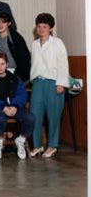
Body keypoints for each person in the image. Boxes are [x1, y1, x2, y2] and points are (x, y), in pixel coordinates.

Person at [29, 13, 69, 158]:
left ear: (51, 28)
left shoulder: (57, 43)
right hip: (38, 82)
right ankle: (37, 145)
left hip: (54, 83)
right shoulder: (34, 44)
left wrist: (61, 84)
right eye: (39, 26)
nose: (41, 29)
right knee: (35, 114)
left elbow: (63, 64)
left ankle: (52, 146)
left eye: (44, 27)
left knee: (53, 116)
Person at [0, 52, 35, 160]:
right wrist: (3, 106)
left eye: (2, 64)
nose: (0, 67)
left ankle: (20, 140)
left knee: (30, 117)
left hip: (14, 107)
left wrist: (15, 105)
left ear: (7, 64)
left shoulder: (15, 79)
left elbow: (22, 95)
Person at [0, 12, 31, 83]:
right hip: (0, 71)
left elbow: (24, 59)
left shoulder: (16, 37)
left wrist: (17, 75)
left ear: (9, 24)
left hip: (17, 72)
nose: (0, 25)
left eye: (4, 22)